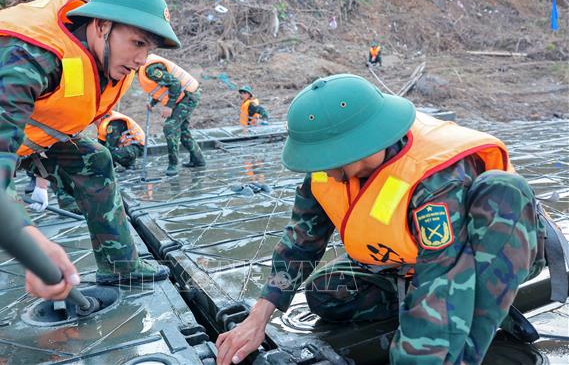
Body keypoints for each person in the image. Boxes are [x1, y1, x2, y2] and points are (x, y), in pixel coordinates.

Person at [0, 0, 179, 364]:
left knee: (94, 158)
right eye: (137, 43)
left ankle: (120, 265)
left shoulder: (107, 63)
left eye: (149, 49)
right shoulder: (24, 53)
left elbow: (53, 113)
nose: (141, 59)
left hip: (28, 128)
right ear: (101, 26)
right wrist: (28, 238)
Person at [216, 74, 566, 365]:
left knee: (437, 336)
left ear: (357, 144)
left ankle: (483, 318)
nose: (320, 169)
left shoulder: (435, 179)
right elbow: (299, 244)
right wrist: (258, 317)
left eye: (325, 159)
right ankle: (426, 309)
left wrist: (419, 351)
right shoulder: (327, 173)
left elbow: (440, 283)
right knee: (326, 293)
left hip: (492, 246)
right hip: (410, 262)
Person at [138, 54, 205, 176]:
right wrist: (152, 103)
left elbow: (175, 84)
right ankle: (198, 159)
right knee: (183, 130)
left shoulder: (150, 69)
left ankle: (173, 165)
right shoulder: (145, 69)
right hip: (186, 95)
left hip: (188, 96)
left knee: (170, 127)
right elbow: (162, 88)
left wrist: (169, 106)